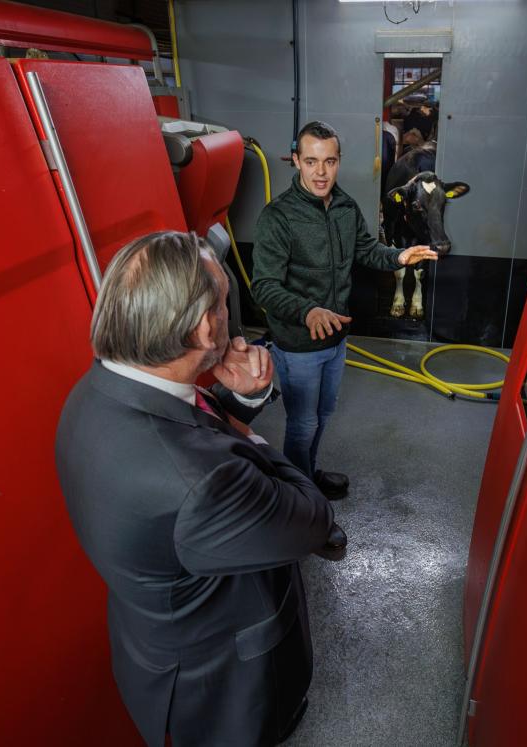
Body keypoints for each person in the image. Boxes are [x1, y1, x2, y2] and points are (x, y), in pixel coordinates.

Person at [55, 231, 346, 747]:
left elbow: (189, 431)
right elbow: (313, 516)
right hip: (224, 687)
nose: (229, 317)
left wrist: (237, 400)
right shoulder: (202, 484)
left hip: (155, 646)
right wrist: (250, 434)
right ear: (204, 326)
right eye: (224, 305)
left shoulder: (98, 389)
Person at [252, 121, 437, 497]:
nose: (321, 172)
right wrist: (307, 312)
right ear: (296, 161)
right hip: (299, 344)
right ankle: (299, 497)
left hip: (336, 339)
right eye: (311, 161)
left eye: (329, 161)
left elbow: (367, 250)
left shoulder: (345, 207)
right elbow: (264, 287)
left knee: (321, 417)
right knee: (302, 424)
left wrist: (400, 255)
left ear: (338, 162)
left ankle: (307, 474)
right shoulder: (278, 217)